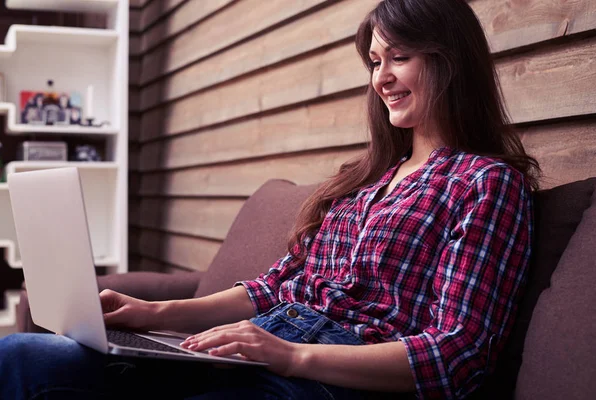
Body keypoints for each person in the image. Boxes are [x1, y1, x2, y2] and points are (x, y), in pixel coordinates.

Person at [0, 0, 540, 398]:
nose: (382, 78)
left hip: (334, 378)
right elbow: (276, 287)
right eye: (374, 62)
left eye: (398, 57)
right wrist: (153, 313)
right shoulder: (364, 181)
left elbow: (458, 355)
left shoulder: (485, 183)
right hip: (262, 350)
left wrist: (290, 355)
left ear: (451, 62)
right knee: (20, 358)